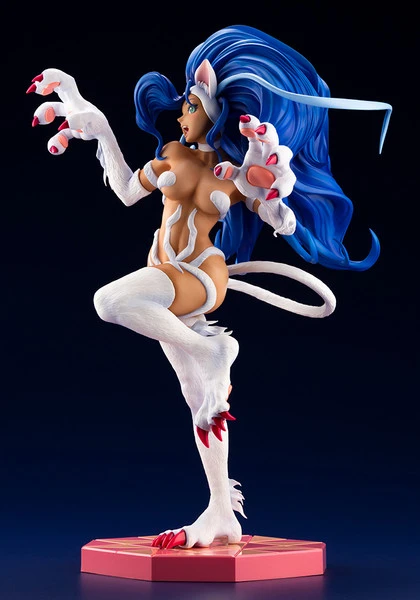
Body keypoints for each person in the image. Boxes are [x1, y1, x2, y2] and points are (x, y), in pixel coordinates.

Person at [27, 25, 391, 550]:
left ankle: (215, 350)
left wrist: (278, 196)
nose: (182, 111)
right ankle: (222, 510)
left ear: (215, 109)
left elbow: (279, 217)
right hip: (164, 278)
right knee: (198, 397)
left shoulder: (234, 173)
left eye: (192, 102)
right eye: (184, 103)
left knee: (109, 300)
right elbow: (127, 191)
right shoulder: (173, 154)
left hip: (200, 274)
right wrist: (101, 128)